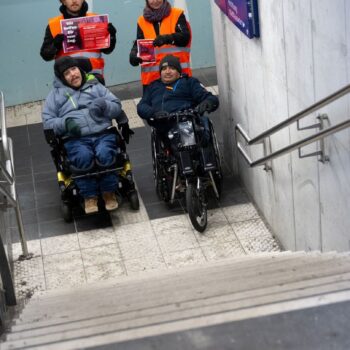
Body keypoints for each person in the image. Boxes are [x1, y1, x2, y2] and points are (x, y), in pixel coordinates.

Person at [42, 56, 132, 214]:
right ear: (62, 78)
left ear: (80, 69)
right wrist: (65, 124)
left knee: (105, 153)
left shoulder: (96, 86)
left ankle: (108, 193)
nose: (73, 74)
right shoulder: (54, 96)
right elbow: (48, 122)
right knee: (83, 156)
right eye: (67, 73)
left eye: (74, 69)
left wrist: (104, 104)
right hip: (75, 138)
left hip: (103, 132)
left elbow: (117, 106)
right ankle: (90, 196)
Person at [137, 54, 219, 145]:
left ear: (179, 72)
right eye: (164, 69)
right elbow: (141, 106)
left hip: (186, 122)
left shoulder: (189, 82)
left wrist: (207, 103)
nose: (167, 72)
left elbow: (211, 98)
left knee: (195, 132)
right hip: (163, 124)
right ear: (160, 72)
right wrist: (153, 113)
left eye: (172, 68)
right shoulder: (153, 86)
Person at [40, 0, 117, 84]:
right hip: (69, 82)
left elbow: (107, 50)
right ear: (63, 1)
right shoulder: (54, 25)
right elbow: (45, 55)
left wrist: (112, 37)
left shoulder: (96, 20)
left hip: (95, 79)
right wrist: (55, 45)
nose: (74, 1)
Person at [129, 0, 192, 88]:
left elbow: (185, 37)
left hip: (177, 77)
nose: (155, 1)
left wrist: (166, 38)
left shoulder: (176, 14)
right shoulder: (141, 20)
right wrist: (134, 53)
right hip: (151, 81)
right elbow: (139, 42)